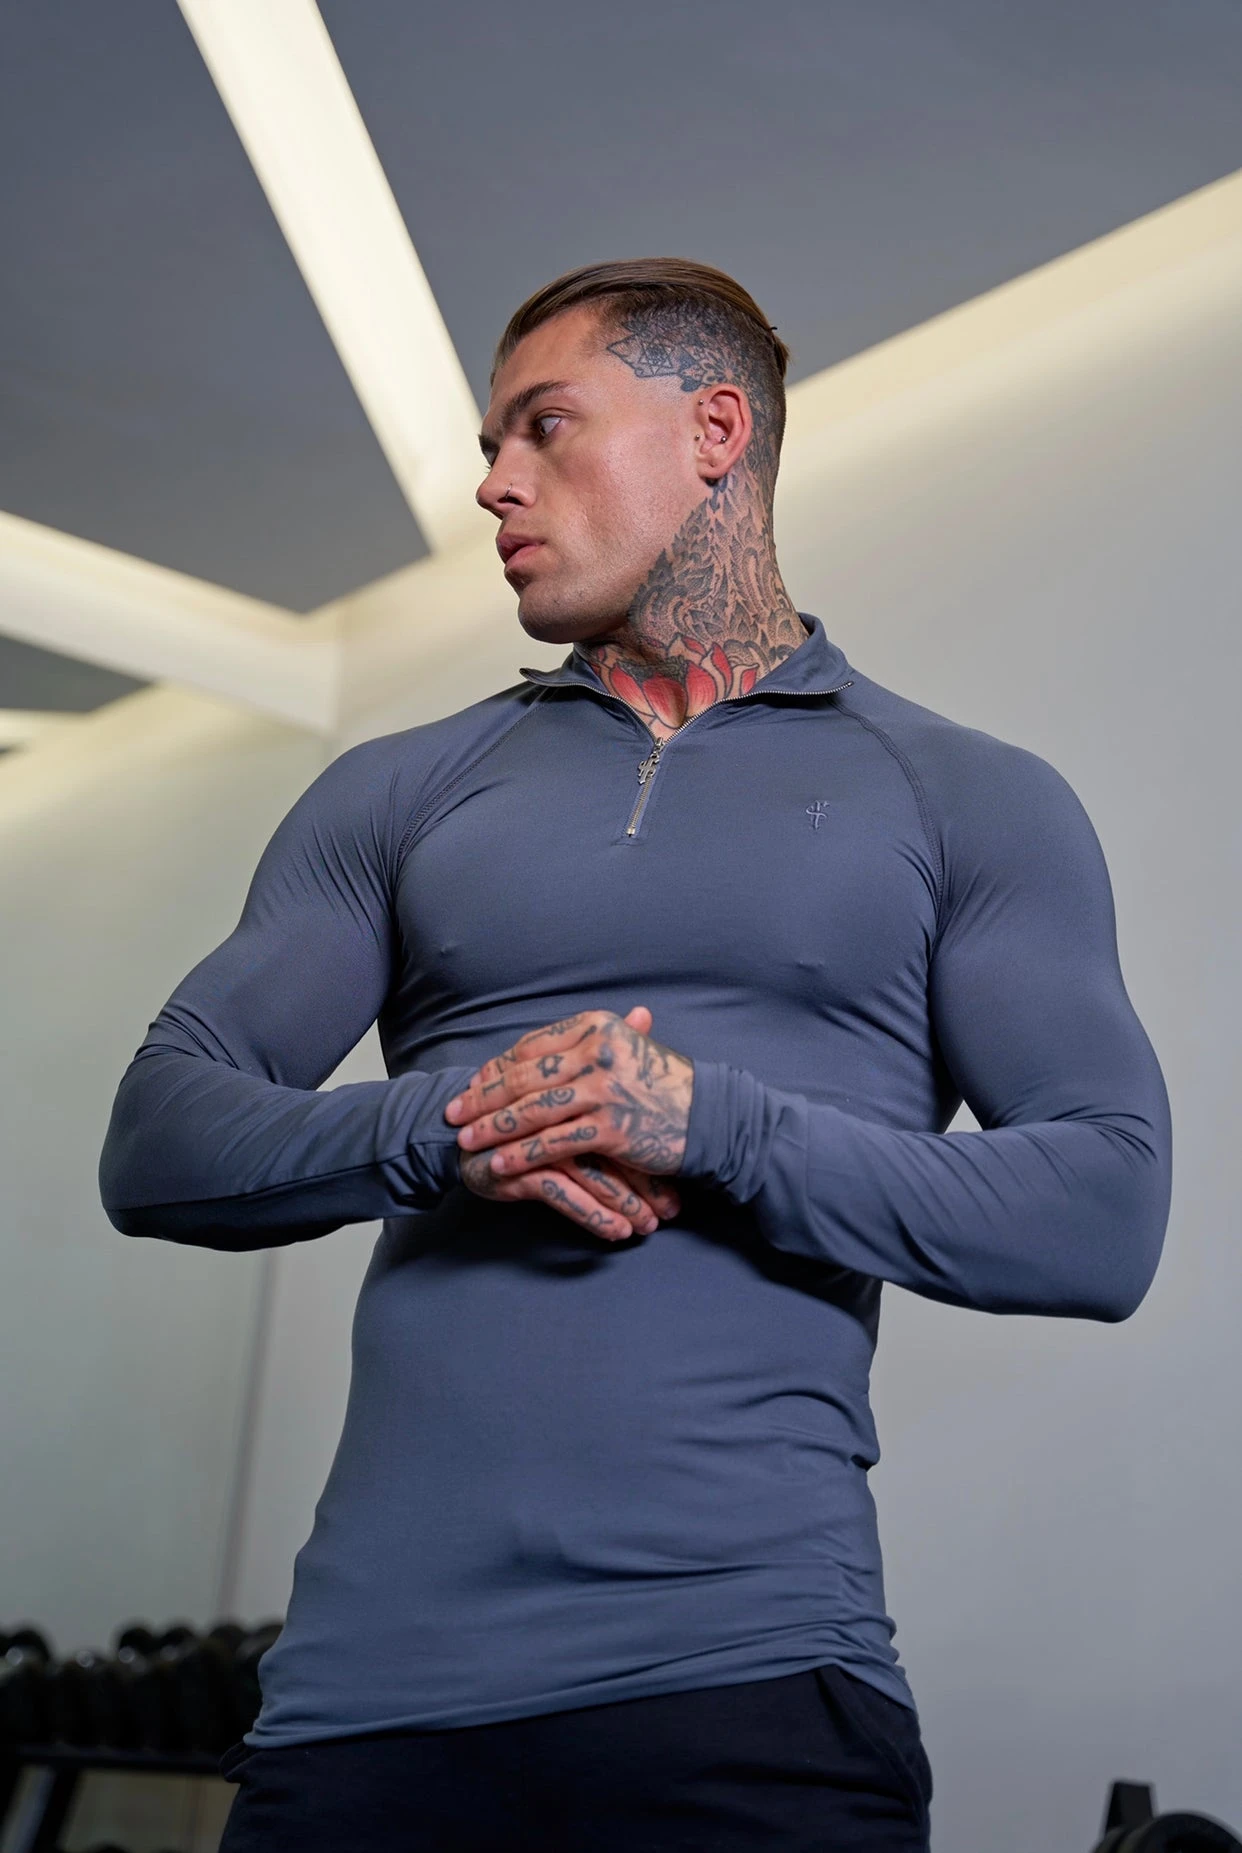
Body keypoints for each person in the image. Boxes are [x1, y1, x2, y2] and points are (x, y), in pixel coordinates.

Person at [99, 258, 1172, 1851]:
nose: (493, 482)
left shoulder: (963, 794)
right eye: (489, 444)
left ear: (714, 430)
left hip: (752, 1687)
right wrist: (453, 1126)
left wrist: (711, 1124)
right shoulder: (401, 788)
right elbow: (157, 1138)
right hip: (365, 1708)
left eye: (543, 426)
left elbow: (1100, 1212)